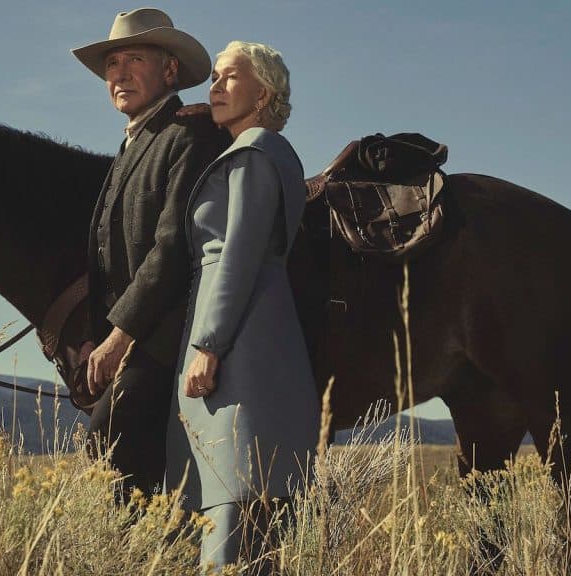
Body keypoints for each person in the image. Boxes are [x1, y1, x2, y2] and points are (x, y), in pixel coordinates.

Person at [166, 41, 320, 571]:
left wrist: (209, 345)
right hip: (246, 331)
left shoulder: (255, 149)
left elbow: (239, 253)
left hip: (241, 342)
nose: (215, 86)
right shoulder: (255, 148)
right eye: (212, 76)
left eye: (230, 77)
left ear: (265, 92)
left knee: (234, 492)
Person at [71, 8, 230, 498]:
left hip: (169, 342)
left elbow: (171, 248)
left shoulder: (188, 135)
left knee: (108, 446)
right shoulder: (138, 141)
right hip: (140, 337)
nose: (118, 73)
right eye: (112, 63)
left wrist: (118, 338)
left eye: (134, 58)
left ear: (169, 70)